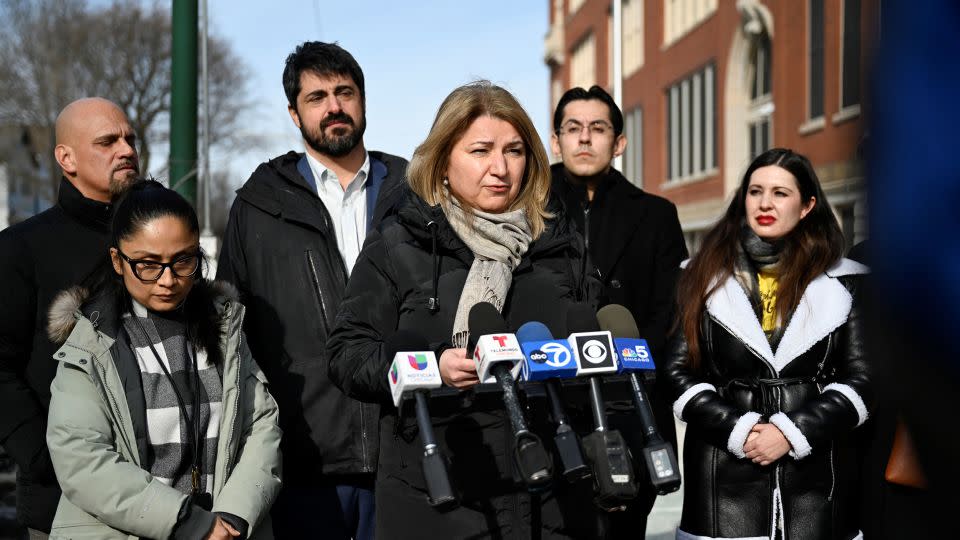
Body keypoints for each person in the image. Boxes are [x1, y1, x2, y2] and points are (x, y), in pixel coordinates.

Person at [327, 81, 601, 539]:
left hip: (553, 494)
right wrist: (431, 367)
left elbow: (598, 340)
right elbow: (346, 354)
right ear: (443, 159)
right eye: (481, 150)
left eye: (514, 151)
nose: (500, 168)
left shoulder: (559, 242)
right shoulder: (400, 242)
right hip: (437, 494)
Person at [216, 41, 407, 540]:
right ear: (294, 113)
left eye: (345, 92)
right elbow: (231, 338)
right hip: (304, 460)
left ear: (363, 100)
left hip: (407, 449)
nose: (334, 107)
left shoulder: (416, 193)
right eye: (317, 97)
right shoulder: (259, 205)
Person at [45, 181, 282, 539]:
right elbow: (83, 459)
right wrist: (189, 523)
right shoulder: (91, 343)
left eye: (183, 260)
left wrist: (232, 517)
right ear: (117, 261)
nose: (168, 280)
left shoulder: (225, 328)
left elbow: (261, 425)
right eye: (148, 264)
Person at [665, 148, 872, 540]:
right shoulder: (698, 277)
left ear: (807, 204)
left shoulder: (848, 282)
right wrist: (739, 429)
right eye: (755, 191)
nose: (765, 203)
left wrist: (793, 432)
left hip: (817, 477)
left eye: (780, 193)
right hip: (721, 474)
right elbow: (676, 372)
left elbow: (864, 379)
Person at [550, 85, 686, 537]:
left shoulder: (657, 215)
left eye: (597, 128)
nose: (584, 139)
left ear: (619, 142)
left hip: (634, 406)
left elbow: (671, 312)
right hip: (552, 407)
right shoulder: (527, 209)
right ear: (556, 141)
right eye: (573, 128)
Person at [0, 97, 139, 537]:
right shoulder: (22, 247)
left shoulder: (161, 237)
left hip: (165, 494)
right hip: (63, 507)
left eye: (130, 139)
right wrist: (47, 458)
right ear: (66, 158)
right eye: (108, 141)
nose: (127, 150)